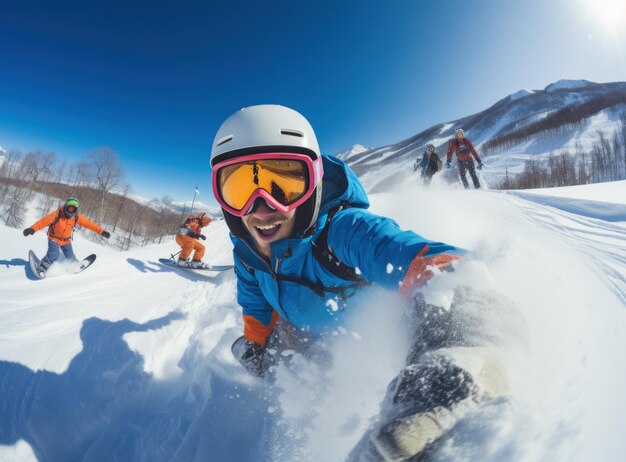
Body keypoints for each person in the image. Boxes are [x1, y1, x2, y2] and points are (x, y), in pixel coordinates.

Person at [210, 105, 511, 458]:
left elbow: (426, 261)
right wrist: (257, 342)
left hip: (348, 340)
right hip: (297, 332)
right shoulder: (247, 250)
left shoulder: (344, 231)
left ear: (316, 182)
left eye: (287, 184)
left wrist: (466, 346)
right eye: (240, 188)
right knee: (277, 359)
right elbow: (254, 298)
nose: (261, 207)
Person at [23, 197, 110, 276]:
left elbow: (89, 224)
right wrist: (32, 229)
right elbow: (43, 222)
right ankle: (42, 266)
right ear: (66, 206)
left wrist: (102, 231)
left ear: (75, 210)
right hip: (54, 238)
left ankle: (74, 264)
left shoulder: (76, 217)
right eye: (69, 208)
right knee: (54, 254)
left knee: (70, 256)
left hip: (66, 240)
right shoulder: (57, 214)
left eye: (73, 209)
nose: (70, 211)